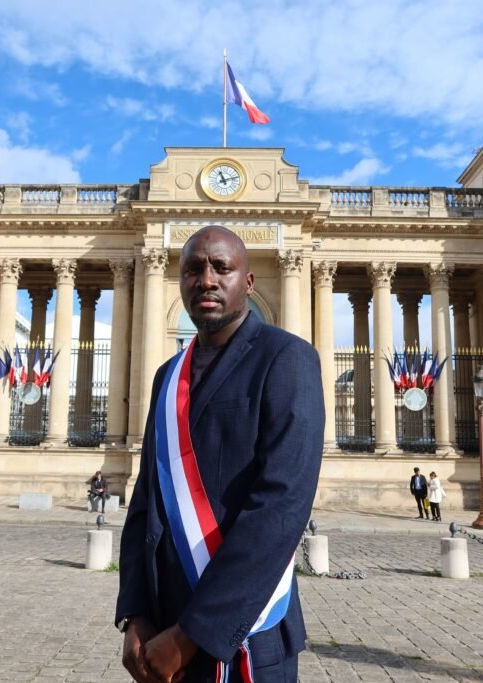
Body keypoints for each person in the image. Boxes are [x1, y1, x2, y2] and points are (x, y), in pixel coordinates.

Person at [116, 225, 325, 683]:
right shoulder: (167, 377)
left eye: (221, 268)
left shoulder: (287, 358)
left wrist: (190, 635)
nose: (206, 280)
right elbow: (145, 500)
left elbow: (280, 508)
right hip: (161, 635)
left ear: (247, 283)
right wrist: (134, 612)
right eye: (192, 269)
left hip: (244, 632)